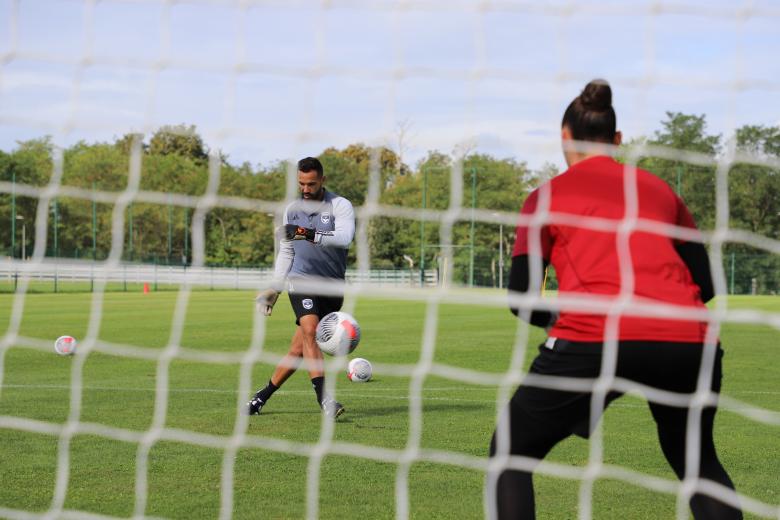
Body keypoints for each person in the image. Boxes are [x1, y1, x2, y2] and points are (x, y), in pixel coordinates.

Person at [489, 80, 742, 519]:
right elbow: (708, 283)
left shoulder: (546, 197)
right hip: (689, 340)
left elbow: (521, 298)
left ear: (564, 136)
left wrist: (560, 327)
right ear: (618, 140)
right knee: (697, 464)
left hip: (593, 336)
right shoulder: (663, 191)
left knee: (510, 455)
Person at [248, 156, 356, 418]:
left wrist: (304, 233)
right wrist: (275, 289)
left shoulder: (340, 205)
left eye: (311, 184)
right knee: (309, 330)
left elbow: (344, 239)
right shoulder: (291, 210)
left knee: (298, 350)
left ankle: (260, 397)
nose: (306, 189)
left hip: (331, 286)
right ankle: (324, 398)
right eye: (301, 184)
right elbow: (287, 251)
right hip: (301, 279)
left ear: (322, 181)